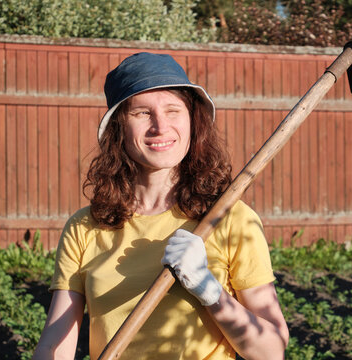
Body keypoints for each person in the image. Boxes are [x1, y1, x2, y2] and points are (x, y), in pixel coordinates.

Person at [33, 52, 289, 360]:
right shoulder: (85, 227)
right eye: (142, 113)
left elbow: (271, 351)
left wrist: (208, 289)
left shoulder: (230, 219)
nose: (160, 126)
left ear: (193, 121)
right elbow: (55, 344)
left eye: (173, 110)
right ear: (118, 129)